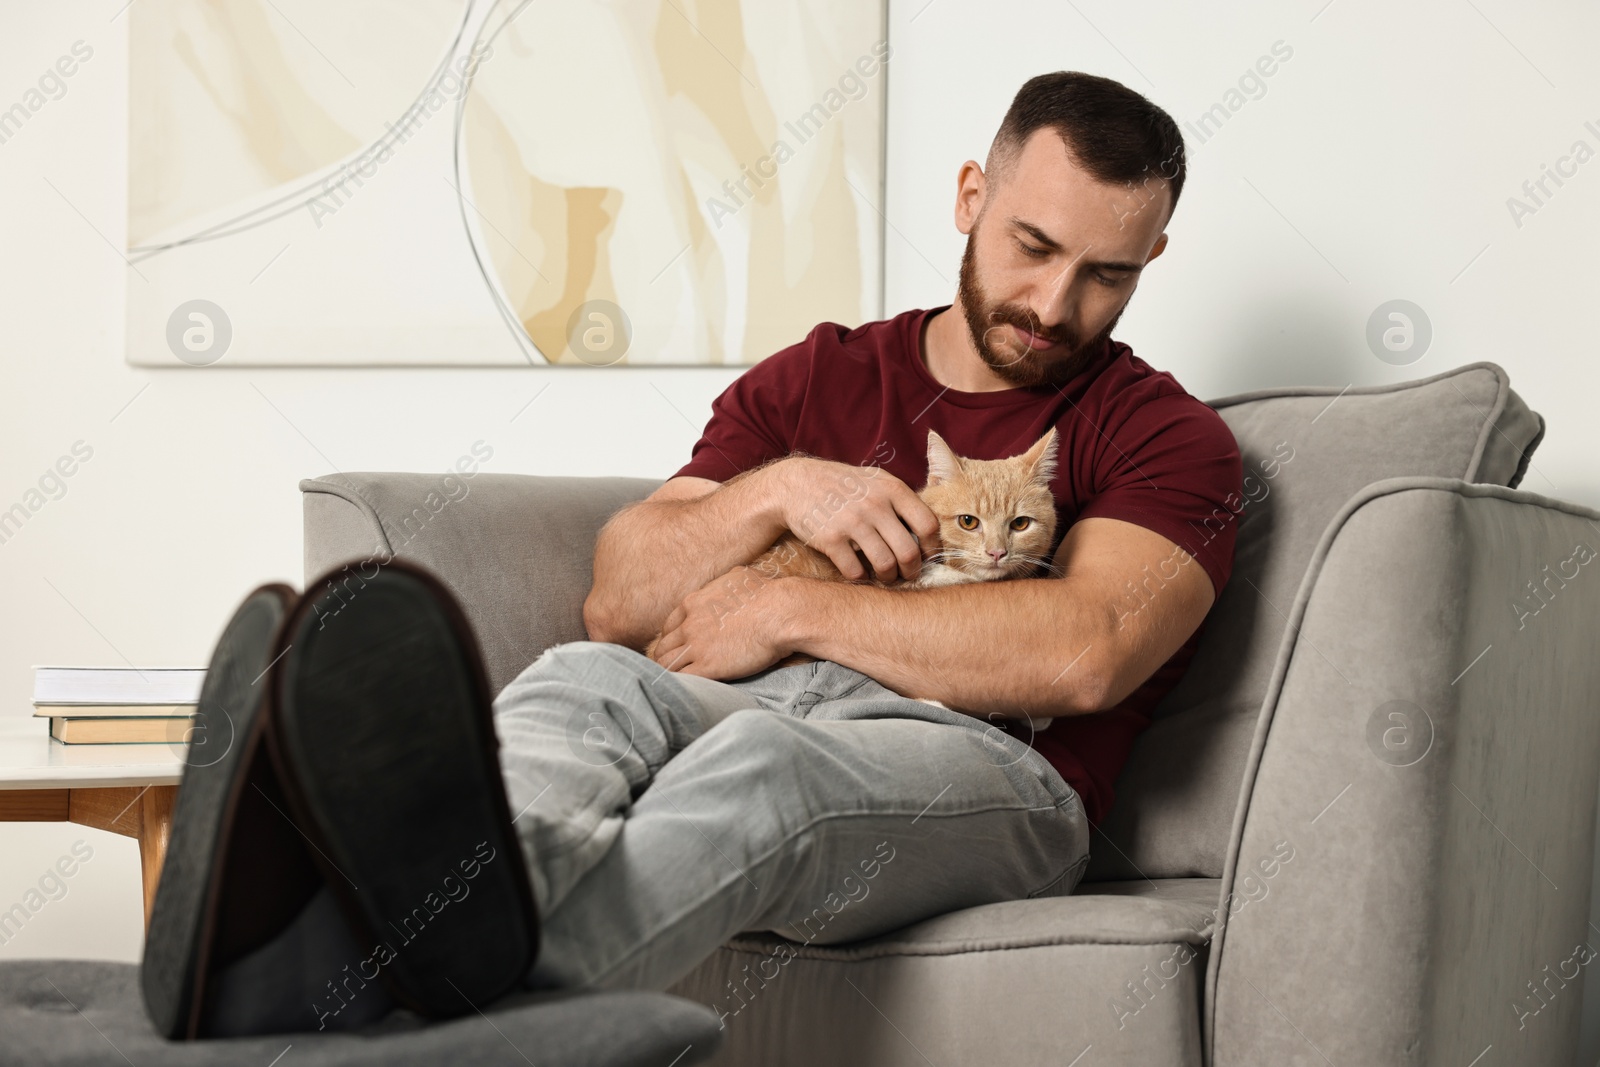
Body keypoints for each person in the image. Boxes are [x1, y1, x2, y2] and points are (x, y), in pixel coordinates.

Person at [141, 70, 1242, 1039]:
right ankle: (402, 939)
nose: (1055, 303)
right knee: (584, 682)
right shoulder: (816, 375)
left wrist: (789, 610)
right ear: (970, 198)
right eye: (1033, 247)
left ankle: (350, 971)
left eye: (1107, 273)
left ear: (1151, 257)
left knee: (760, 771)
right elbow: (622, 599)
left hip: (991, 772)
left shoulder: (1164, 433)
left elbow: (1084, 650)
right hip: (753, 703)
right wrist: (781, 486)